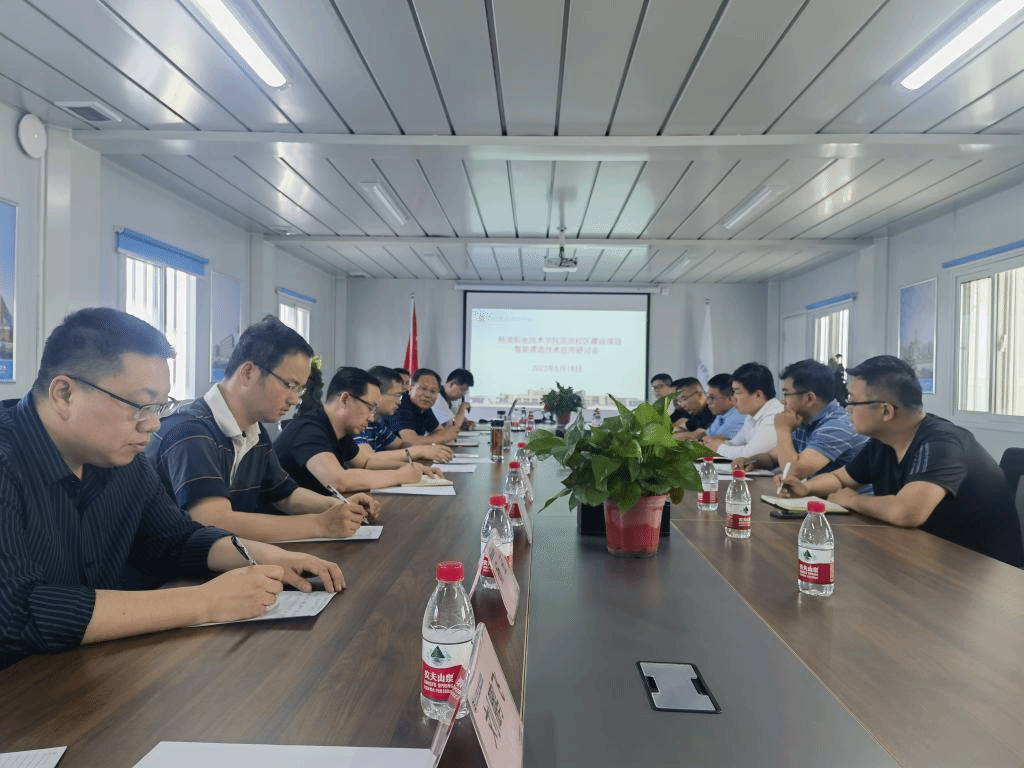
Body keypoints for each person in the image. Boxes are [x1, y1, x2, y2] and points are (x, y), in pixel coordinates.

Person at [0, 308, 344, 669]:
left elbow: (177, 539)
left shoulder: (121, 459)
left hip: (92, 673)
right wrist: (205, 602)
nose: (152, 424)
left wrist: (267, 557)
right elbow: (15, 611)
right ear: (65, 393)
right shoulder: (9, 461)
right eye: (140, 405)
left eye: (160, 406)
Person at [146, 316, 377, 543]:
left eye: (299, 390)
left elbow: (285, 495)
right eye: (289, 385)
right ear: (248, 373)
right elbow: (214, 521)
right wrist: (320, 524)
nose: (294, 400)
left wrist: (338, 505)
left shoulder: (253, 430)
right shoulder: (190, 431)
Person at [779, 355, 1024, 566]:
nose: (848, 409)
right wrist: (806, 488)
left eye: (853, 401)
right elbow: (840, 478)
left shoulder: (942, 442)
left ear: (886, 411)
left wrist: (852, 500)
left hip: (985, 572)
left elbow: (906, 512)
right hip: (929, 556)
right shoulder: (884, 441)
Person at [275, 366, 443, 493]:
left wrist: (414, 468)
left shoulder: (339, 430)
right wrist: (399, 476)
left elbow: (366, 462)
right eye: (370, 408)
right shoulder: (309, 428)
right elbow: (338, 480)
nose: (372, 417)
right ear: (345, 399)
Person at [734, 359, 867, 479]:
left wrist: (783, 429)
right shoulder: (804, 419)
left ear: (809, 399)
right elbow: (772, 457)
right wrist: (752, 461)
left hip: (846, 498)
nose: (782, 401)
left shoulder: (837, 425)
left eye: (786, 394)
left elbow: (793, 472)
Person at [351, 366, 453, 469]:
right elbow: (367, 460)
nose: (399, 402)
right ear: (377, 394)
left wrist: (422, 455)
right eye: (397, 395)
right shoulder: (356, 422)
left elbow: (401, 445)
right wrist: (420, 451)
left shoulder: (377, 423)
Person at [703, 362, 784, 460]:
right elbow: (734, 444)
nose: (733, 398)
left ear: (758, 395)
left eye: (737, 392)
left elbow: (751, 454)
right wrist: (713, 444)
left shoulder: (775, 415)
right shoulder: (751, 415)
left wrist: (719, 448)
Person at [381, 368, 461, 446]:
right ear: (411, 389)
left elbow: (439, 431)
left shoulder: (424, 408)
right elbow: (410, 441)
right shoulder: (401, 404)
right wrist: (443, 438)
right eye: (423, 389)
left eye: (433, 391)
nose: (427, 395)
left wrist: (428, 439)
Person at [678, 373, 745, 442]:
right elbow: (707, 436)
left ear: (730, 399)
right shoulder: (721, 415)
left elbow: (711, 442)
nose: (708, 402)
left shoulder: (738, 416)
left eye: (712, 398)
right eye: (708, 397)